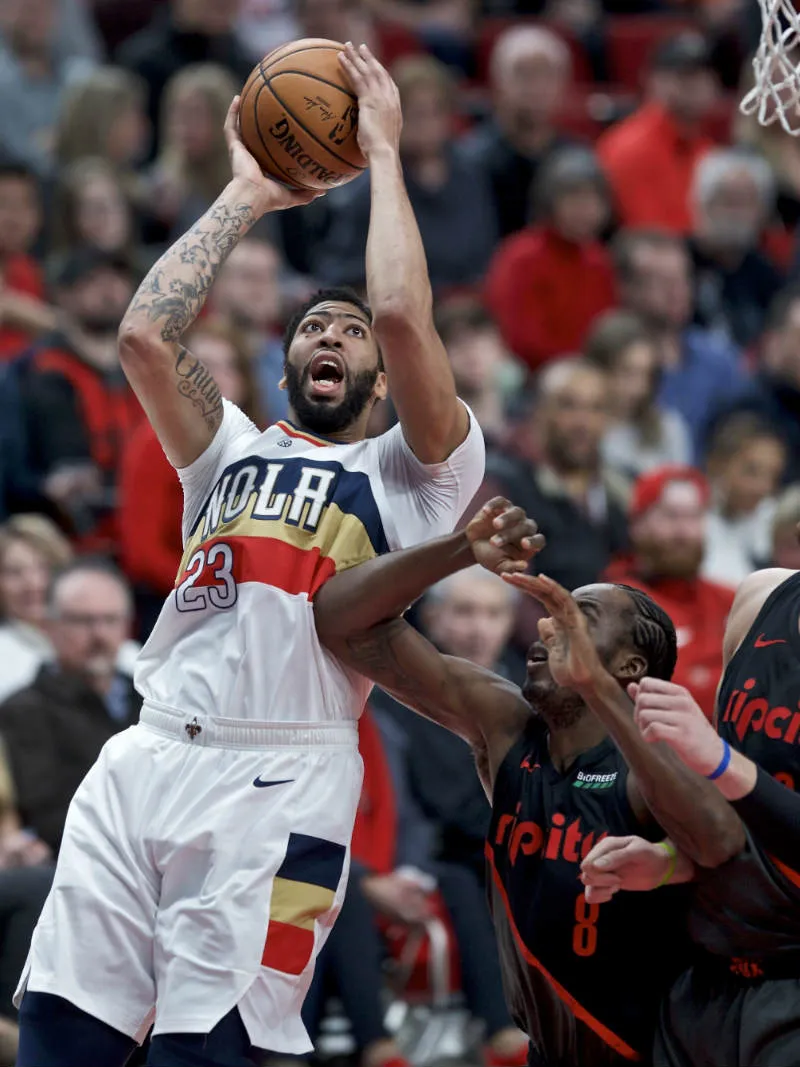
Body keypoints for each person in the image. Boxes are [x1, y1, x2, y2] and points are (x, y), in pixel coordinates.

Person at [14, 44, 484, 1067]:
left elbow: (402, 311)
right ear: (286, 360)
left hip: (283, 774)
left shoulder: (415, 472)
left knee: (213, 1049)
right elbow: (144, 334)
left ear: (377, 370)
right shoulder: (229, 448)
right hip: (144, 754)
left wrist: (386, 152)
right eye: (313, 323)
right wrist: (242, 191)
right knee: (57, 1032)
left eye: (347, 332)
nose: (332, 333)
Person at [312, 497, 743, 1067]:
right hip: (546, 1049)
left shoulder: (656, 760)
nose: (546, 623)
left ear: (630, 669)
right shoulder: (507, 724)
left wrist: (597, 691)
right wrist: (461, 549)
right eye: (549, 612)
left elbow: (720, 841)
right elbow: (340, 619)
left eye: (575, 619)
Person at [581, 555, 800, 1065]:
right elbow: (737, 819)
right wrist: (671, 860)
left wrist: (720, 760)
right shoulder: (761, 598)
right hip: (705, 978)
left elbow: (728, 772)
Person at [0, 561, 141, 856]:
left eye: (111, 619)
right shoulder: (25, 710)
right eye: (82, 621)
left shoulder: (154, 699)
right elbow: (49, 817)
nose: (99, 635)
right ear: (49, 626)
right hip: (87, 864)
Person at [604, 465, 735, 721]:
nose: (684, 532)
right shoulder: (615, 602)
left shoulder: (731, 599)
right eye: (671, 516)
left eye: (694, 517)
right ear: (637, 524)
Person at [485, 146, 617, 372]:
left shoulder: (599, 260)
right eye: (574, 198)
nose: (585, 209)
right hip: (535, 377)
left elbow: (607, 333)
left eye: (594, 199)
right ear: (549, 201)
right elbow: (519, 338)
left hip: (593, 375)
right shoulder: (521, 256)